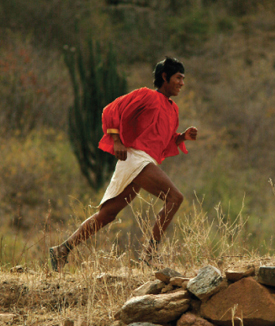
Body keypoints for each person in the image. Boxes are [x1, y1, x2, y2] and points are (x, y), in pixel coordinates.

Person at [50, 57, 197, 272]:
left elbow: (162, 143)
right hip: (136, 158)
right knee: (175, 198)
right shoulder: (146, 95)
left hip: (141, 161)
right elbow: (111, 109)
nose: (182, 83)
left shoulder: (173, 109)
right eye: (178, 78)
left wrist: (182, 137)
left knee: (107, 215)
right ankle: (149, 257)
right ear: (164, 77)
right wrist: (116, 140)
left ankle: (62, 250)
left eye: (183, 79)